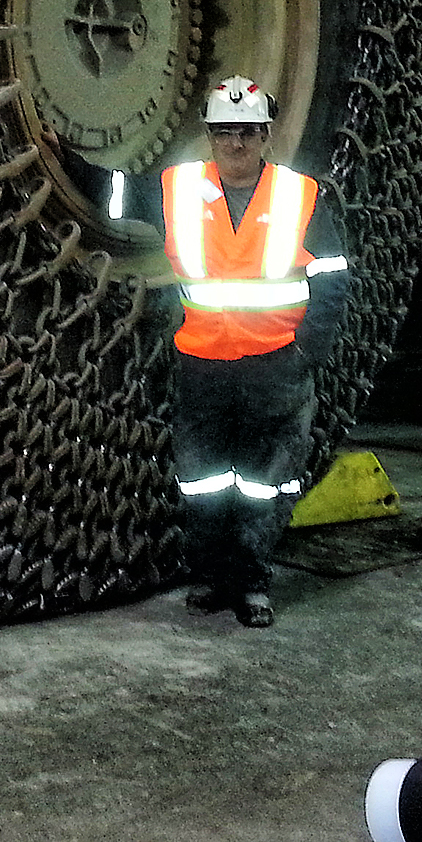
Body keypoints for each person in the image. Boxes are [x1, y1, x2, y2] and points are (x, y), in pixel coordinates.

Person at [155, 76, 350, 626]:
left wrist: (307, 351)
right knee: (204, 479)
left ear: (265, 134)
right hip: (203, 364)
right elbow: (113, 194)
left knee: (267, 482)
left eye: (245, 132)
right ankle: (214, 577)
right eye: (223, 133)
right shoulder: (177, 189)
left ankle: (253, 582)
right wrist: (59, 155)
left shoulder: (298, 195)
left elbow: (333, 275)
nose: (234, 144)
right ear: (210, 136)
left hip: (276, 366)